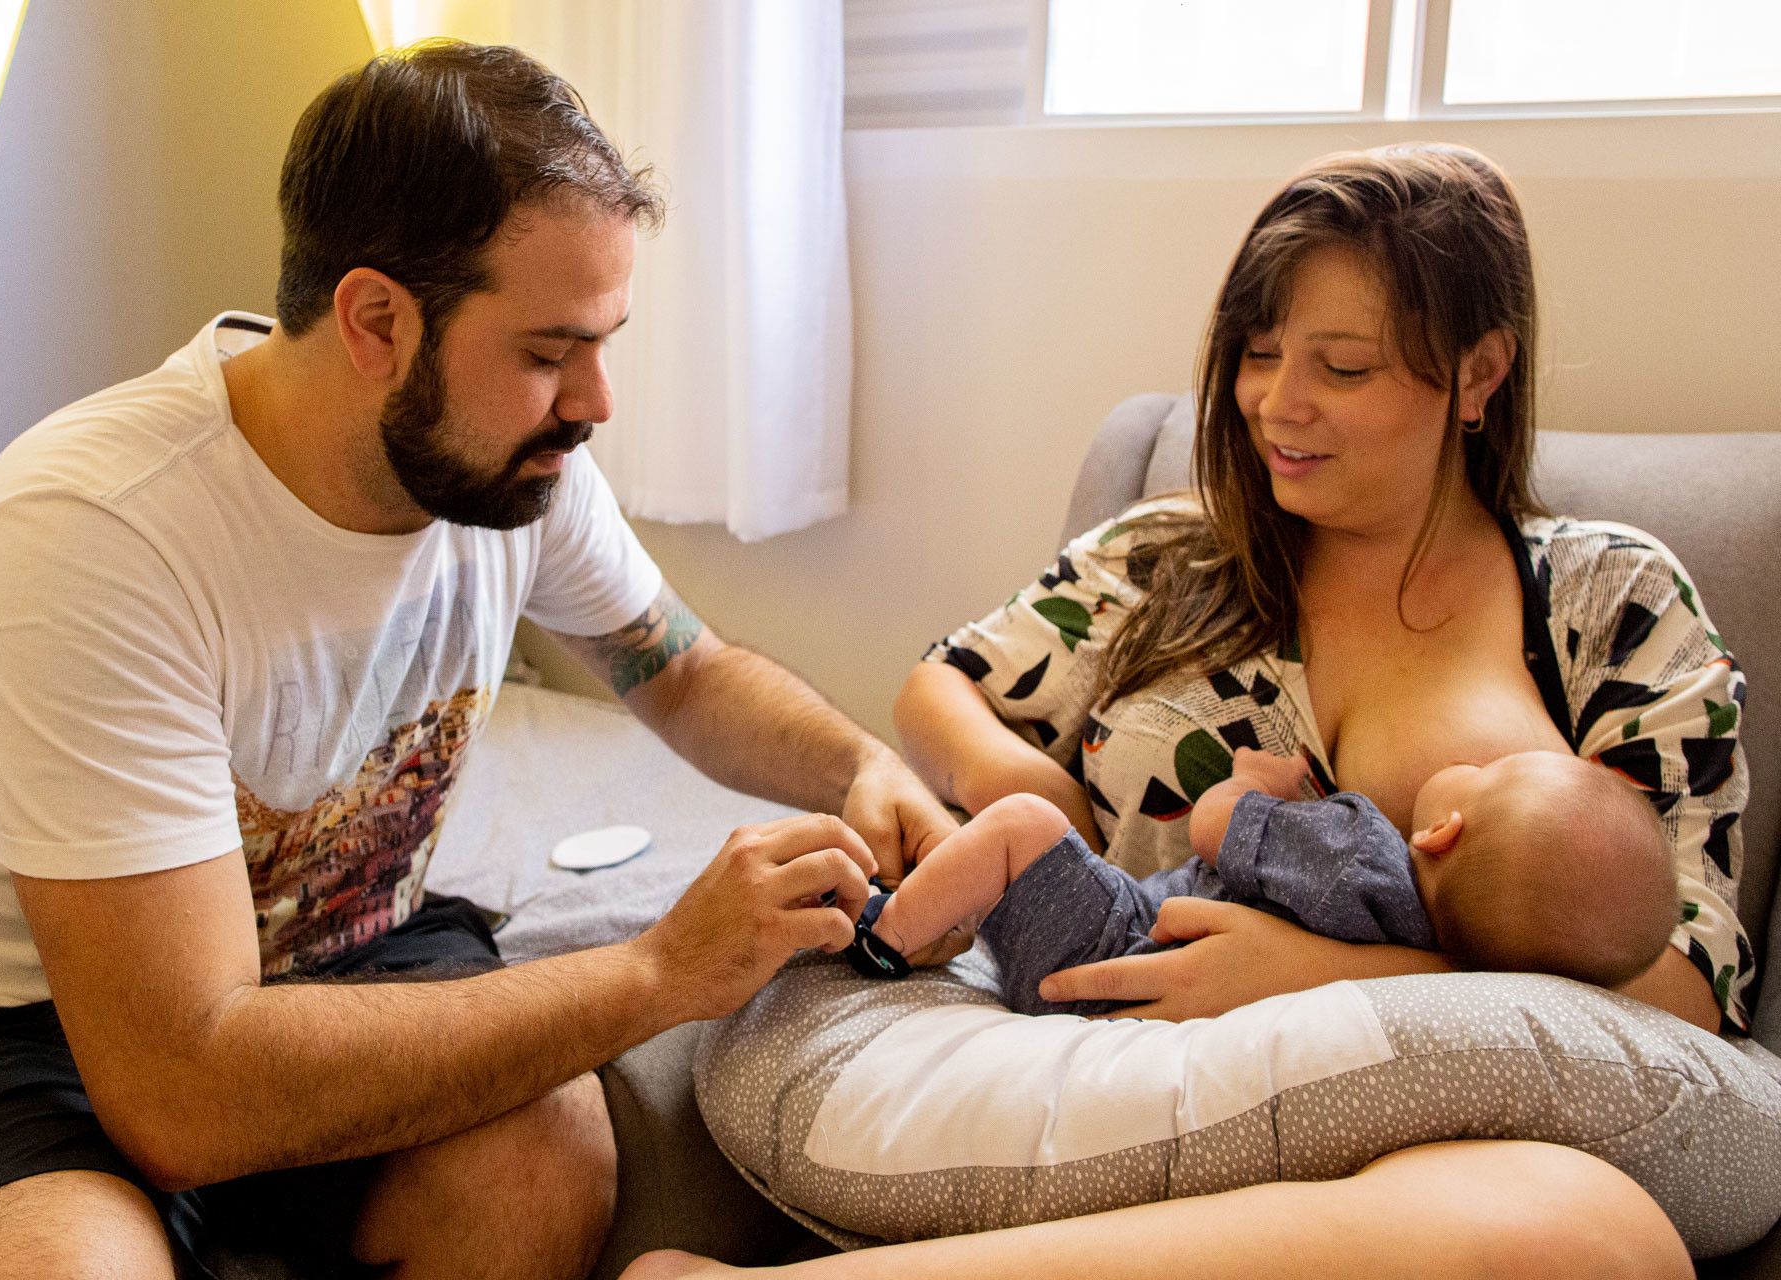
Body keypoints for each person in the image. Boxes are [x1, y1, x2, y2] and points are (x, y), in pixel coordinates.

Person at [0, 42, 957, 1280]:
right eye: (549, 353)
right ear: (376, 319)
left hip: (349, 949)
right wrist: (657, 970)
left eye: (605, 342)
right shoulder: (97, 532)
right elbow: (183, 1091)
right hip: (17, 1026)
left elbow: (685, 673)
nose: (597, 401)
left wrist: (859, 763)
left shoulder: (522, 476)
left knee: (545, 1157)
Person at [625, 143, 1741, 1278]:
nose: (1277, 403)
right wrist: (1020, 782)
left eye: (1343, 367)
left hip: (1439, 1122)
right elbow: (942, 681)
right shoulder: (1176, 552)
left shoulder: (1608, 598)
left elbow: (1683, 981)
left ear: (1480, 373)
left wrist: (1321, 975)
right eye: (1258, 354)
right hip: (1127, 1074)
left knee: (1582, 1240)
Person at [846, 746, 1677, 1016]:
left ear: (1443, 830)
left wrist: (1254, 787)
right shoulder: (1431, 958)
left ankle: (886, 935)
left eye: (1487, 769)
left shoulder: (1358, 848)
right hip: (1139, 1001)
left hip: (1119, 941)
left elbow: (1214, 828)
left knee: (1022, 824)